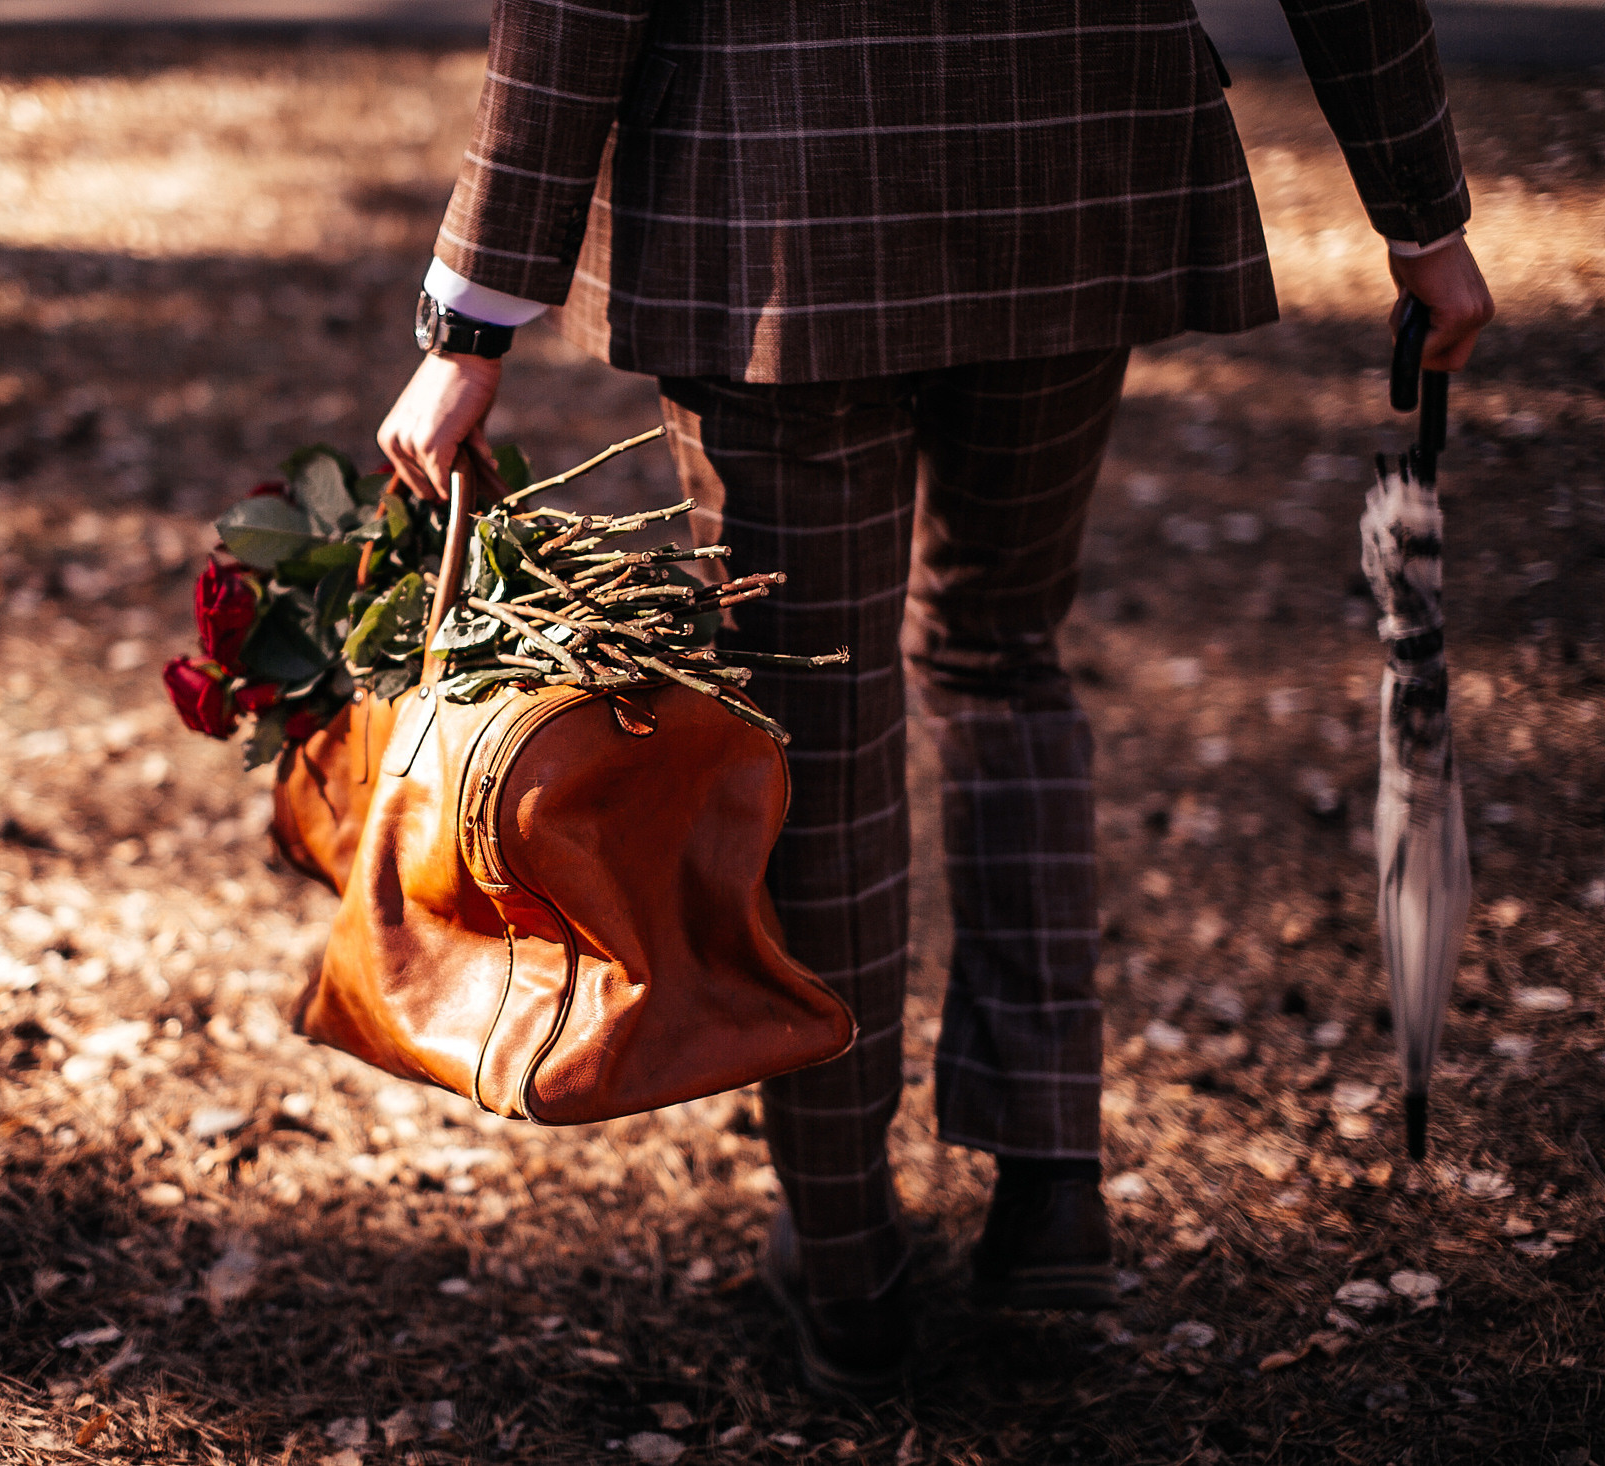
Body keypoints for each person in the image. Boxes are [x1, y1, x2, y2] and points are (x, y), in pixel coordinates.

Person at [376, 0, 1493, 1403]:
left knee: (817, 728)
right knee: (1001, 654)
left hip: (777, 191)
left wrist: (473, 316)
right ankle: (1049, 1183)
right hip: (1071, 159)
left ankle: (848, 1266)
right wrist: (1422, 214)